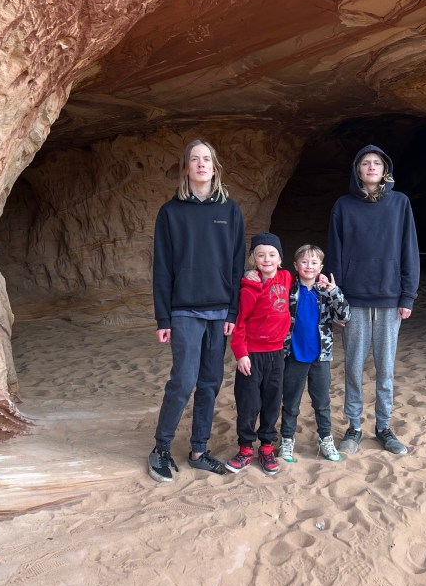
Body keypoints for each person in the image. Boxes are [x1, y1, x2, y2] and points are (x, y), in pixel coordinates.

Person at [148, 140, 245, 483]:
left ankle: (199, 451)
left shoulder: (230, 211)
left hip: (220, 312)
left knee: (210, 383)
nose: (201, 164)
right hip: (184, 310)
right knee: (183, 381)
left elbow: (236, 265)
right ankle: (161, 448)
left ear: (215, 167)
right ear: (186, 167)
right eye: (194, 159)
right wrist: (163, 317)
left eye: (207, 159)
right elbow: (162, 268)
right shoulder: (171, 212)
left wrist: (232, 312)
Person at [327, 145, 419, 456]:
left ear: (385, 169)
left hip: (390, 299)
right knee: (353, 366)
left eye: (376, 163)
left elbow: (409, 250)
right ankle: (354, 427)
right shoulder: (343, 205)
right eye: (365, 162)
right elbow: (335, 254)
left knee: (385, 368)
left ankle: (383, 427)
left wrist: (408, 295)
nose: (371, 167)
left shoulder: (400, 203)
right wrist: (337, 300)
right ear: (357, 169)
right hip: (353, 299)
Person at [225, 232, 293, 476]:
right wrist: (241, 354)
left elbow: (307, 274)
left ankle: (266, 447)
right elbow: (240, 323)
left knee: (272, 401)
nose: (267, 259)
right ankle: (245, 448)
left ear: (280, 258)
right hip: (252, 354)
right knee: (248, 402)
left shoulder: (286, 277)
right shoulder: (248, 288)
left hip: (276, 354)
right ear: (253, 259)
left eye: (272, 255)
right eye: (261, 255)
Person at [277, 245, 351, 464]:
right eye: (304, 262)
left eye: (314, 262)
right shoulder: (289, 289)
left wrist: (334, 291)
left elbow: (345, 316)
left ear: (321, 267)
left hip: (321, 357)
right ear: (295, 265)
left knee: (322, 402)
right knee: (291, 402)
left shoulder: (326, 292)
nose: (309, 266)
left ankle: (325, 438)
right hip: (294, 355)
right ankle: (287, 439)